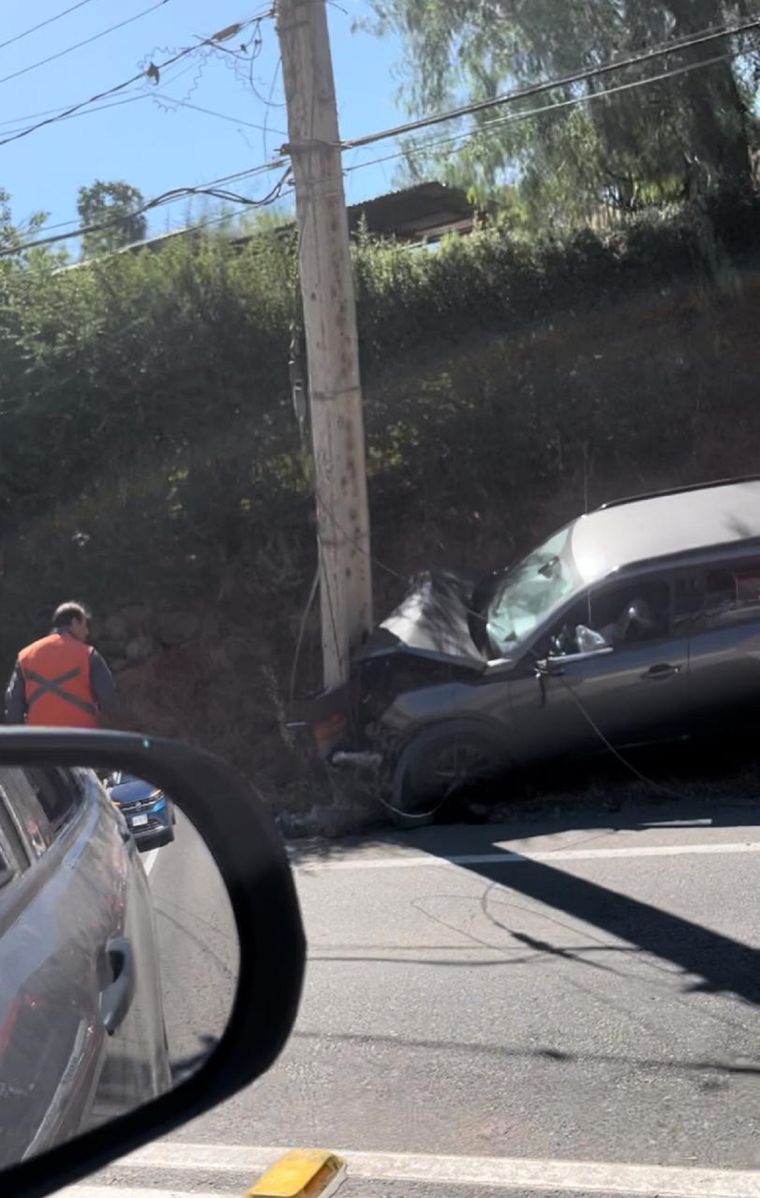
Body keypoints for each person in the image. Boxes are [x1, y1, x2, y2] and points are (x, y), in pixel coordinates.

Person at [4, 601, 114, 727]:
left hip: (39, 738)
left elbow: (13, 705)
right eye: (84, 625)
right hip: (82, 738)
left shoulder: (25, 656)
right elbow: (108, 698)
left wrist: (21, 738)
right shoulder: (88, 654)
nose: (87, 632)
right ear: (74, 623)